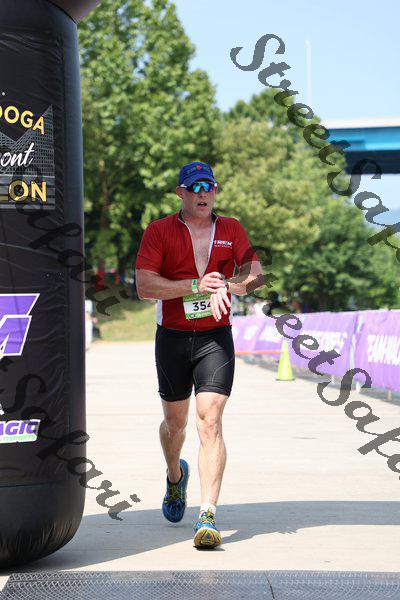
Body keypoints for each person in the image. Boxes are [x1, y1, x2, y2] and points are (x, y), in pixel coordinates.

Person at [135, 161, 264, 548]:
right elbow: (144, 285)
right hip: (172, 338)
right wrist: (195, 285)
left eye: (209, 186)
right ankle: (175, 476)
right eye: (194, 187)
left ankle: (207, 514)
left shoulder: (232, 229)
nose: (203, 193)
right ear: (181, 193)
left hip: (214, 338)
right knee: (175, 425)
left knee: (210, 422)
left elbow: (256, 274)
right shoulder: (159, 231)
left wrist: (230, 285)